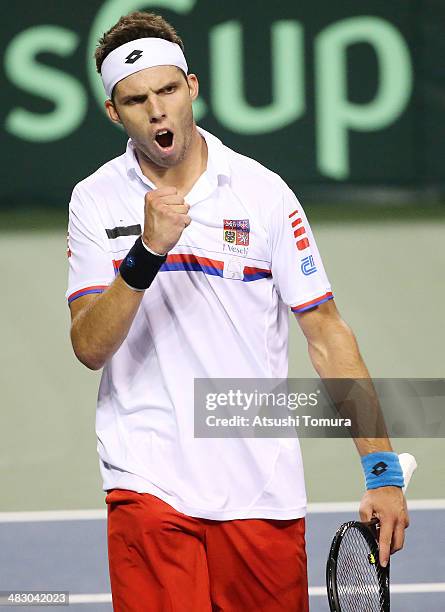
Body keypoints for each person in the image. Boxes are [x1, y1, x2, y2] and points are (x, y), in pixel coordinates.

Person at [66, 11, 409, 612]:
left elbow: (326, 333)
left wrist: (379, 468)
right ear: (114, 113)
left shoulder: (265, 194)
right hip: (148, 482)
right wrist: (146, 253)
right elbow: (90, 346)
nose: (158, 110)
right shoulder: (95, 200)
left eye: (169, 90)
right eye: (137, 99)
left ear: (193, 88)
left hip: (261, 490)